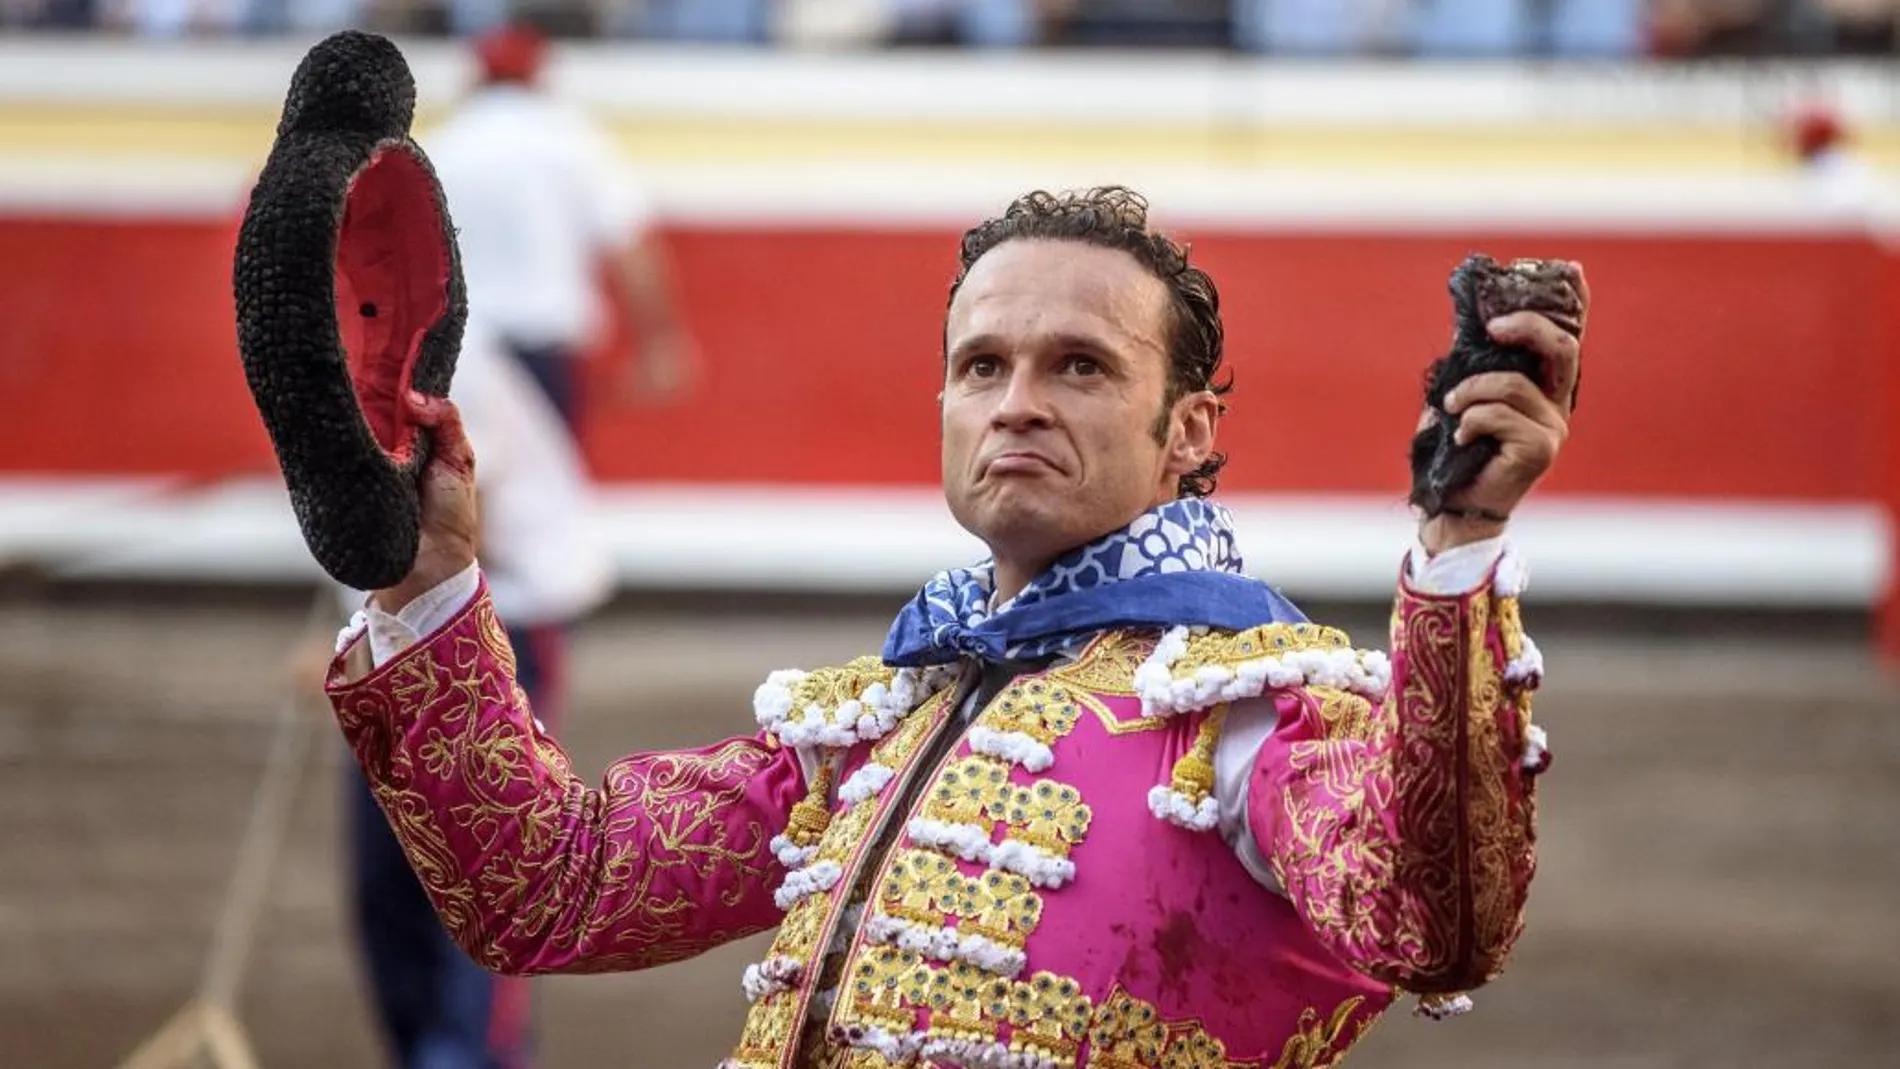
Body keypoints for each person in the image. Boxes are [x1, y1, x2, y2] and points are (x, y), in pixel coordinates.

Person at [322, 187, 1577, 1068]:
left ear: (1187, 430)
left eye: (1079, 366)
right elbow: (553, 891)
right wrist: (427, 580)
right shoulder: (885, 715)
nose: (1016, 405)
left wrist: (1456, 551)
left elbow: (1426, 919)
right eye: (982, 367)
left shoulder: (1246, 713)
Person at [309, 317, 614, 1069]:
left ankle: (471, 1053)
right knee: (393, 873)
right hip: (408, 614)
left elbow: (467, 519)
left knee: (490, 855)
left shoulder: (435, 360)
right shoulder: (341, 354)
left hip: (501, 607)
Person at [421, 16, 696, 430]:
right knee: (541, 488)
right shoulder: (572, 143)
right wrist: (657, 340)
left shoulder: (444, 147)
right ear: (540, 77)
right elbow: (628, 247)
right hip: (541, 355)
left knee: (456, 483)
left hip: (459, 356)